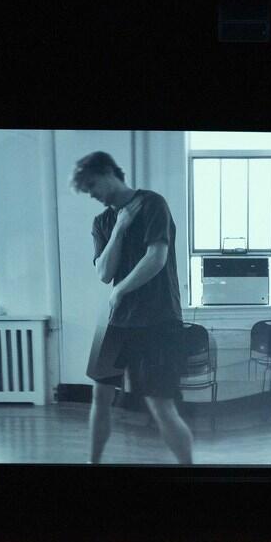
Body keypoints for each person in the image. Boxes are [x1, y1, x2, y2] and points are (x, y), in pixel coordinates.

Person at [72, 151, 193, 464]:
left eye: (92, 185)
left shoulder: (153, 204)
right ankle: (93, 464)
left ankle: (189, 469)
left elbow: (156, 258)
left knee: (160, 406)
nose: (91, 194)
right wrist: (119, 228)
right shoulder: (102, 221)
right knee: (100, 396)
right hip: (116, 321)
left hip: (158, 320)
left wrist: (121, 290)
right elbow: (104, 273)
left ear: (109, 172)